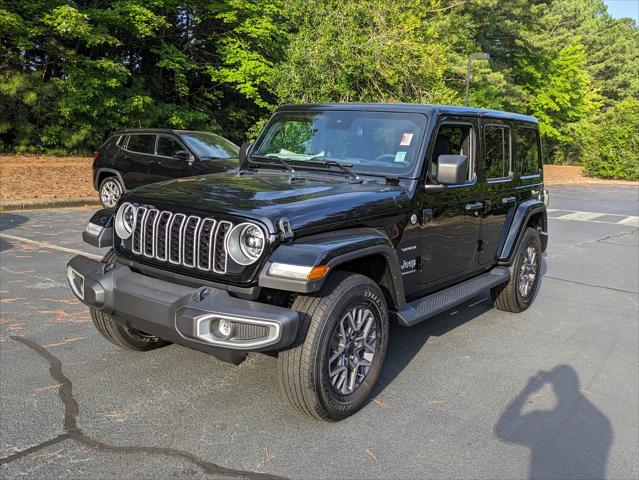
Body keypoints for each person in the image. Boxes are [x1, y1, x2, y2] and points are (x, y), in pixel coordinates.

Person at [495, 365, 613, 479]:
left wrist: (526, 391)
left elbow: (501, 430)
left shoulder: (539, 418)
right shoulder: (603, 422)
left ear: (556, 387)